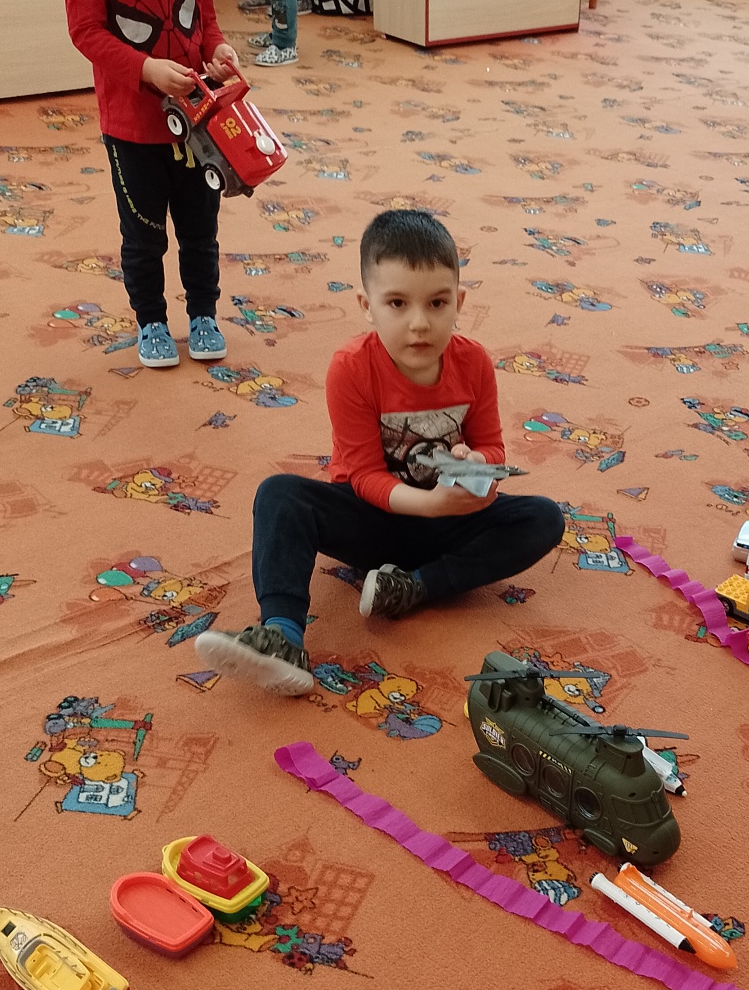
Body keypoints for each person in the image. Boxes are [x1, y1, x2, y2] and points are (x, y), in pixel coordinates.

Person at [194, 211, 566, 695]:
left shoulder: (474, 362)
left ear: (459, 302)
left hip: (448, 523)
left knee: (544, 517)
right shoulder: (351, 368)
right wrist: (430, 504)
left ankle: (415, 587)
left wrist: (479, 468)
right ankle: (282, 636)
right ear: (366, 306)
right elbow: (365, 476)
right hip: (371, 520)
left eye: (437, 303)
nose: (419, 323)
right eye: (397, 303)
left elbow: (492, 447)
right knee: (279, 495)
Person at [64, 0, 239, 369]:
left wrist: (219, 52)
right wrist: (145, 69)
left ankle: (204, 313)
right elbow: (86, 31)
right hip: (131, 128)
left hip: (196, 123)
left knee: (200, 227)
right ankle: (152, 322)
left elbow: (204, 22)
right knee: (143, 233)